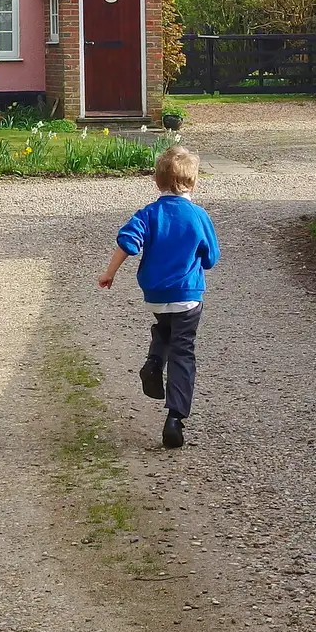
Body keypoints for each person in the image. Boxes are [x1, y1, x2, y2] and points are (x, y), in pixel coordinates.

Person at [97, 145, 220, 449]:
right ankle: (175, 418)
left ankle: (153, 362)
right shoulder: (198, 216)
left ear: (157, 181)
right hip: (188, 295)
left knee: (165, 327)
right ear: (193, 182)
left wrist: (109, 272)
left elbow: (128, 241)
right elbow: (211, 258)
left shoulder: (149, 214)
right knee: (183, 350)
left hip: (155, 294)